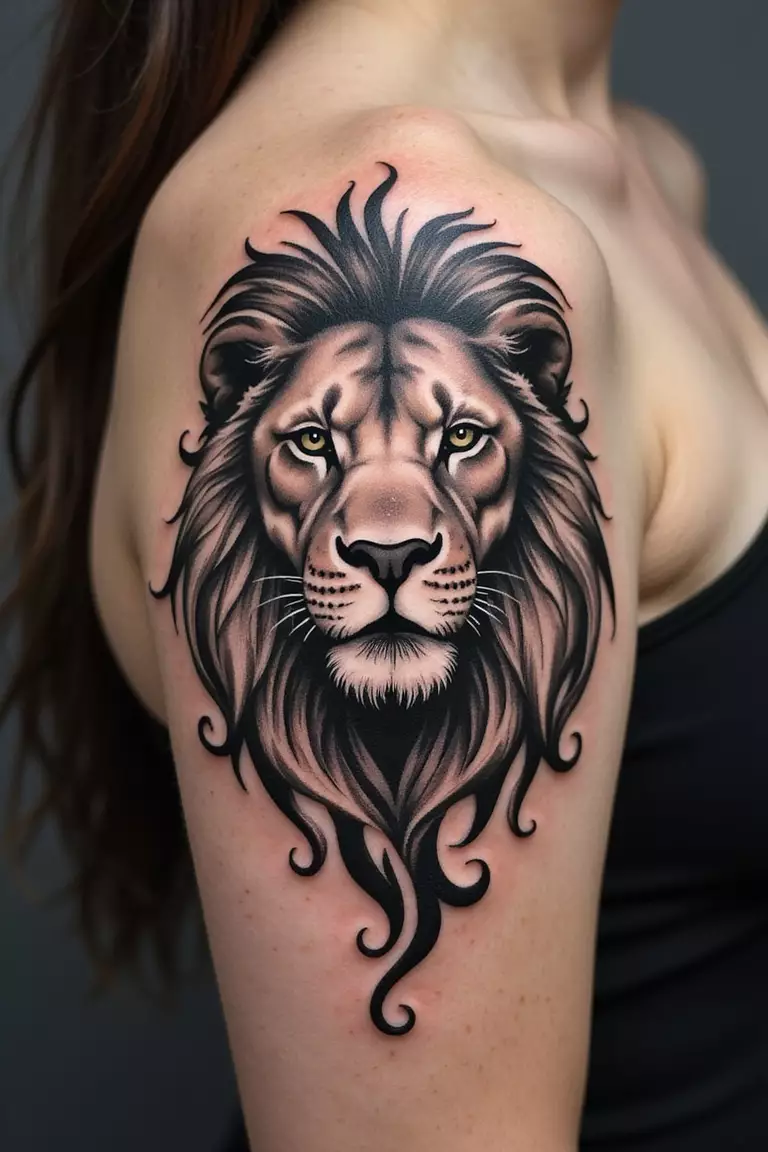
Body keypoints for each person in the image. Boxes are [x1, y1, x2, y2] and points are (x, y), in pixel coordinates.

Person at [4, 1, 768, 1148]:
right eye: (314, 446)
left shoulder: (640, 168)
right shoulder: (432, 222)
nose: (395, 531)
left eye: (463, 443)